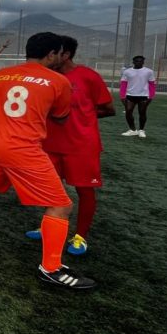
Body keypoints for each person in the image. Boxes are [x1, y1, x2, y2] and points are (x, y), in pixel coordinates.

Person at [0, 32, 96, 290]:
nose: (60, 58)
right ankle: (50, 268)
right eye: (58, 54)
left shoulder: (1, 75)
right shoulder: (57, 80)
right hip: (23, 150)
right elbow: (61, 118)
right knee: (61, 206)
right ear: (51, 54)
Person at [26, 36, 115, 255]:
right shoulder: (47, 77)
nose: (51, 55)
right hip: (50, 144)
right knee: (51, 190)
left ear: (65, 55)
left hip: (81, 146)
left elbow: (108, 109)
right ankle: (48, 225)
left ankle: (80, 236)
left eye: (55, 51)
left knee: (85, 191)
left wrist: (82, 118)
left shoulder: (88, 77)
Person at [120, 55, 155, 138]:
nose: (138, 62)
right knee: (128, 111)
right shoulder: (127, 72)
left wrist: (151, 96)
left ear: (143, 62)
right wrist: (122, 96)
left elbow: (152, 84)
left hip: (143, 95)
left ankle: (141, 130)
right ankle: (132, 130)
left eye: (140, 61)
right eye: (137, 61)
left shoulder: (149, 71)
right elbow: (123, 84)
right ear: (133, 62)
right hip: (130, 95)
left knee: (142, 113)